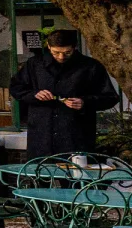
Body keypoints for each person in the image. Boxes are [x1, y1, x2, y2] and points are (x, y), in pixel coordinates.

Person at [9, 30, 122, 159]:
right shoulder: (34, 64)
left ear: (75, 47)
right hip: (42, 134)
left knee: (76, 176)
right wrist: (34, 94)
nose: (61, 57)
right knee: (41, 175)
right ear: (49, 46)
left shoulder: (90, 66)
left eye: (67, 52)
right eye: (56, 52)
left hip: (76, 135)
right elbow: (16, 87)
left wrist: (85, 102)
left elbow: (111, 97)